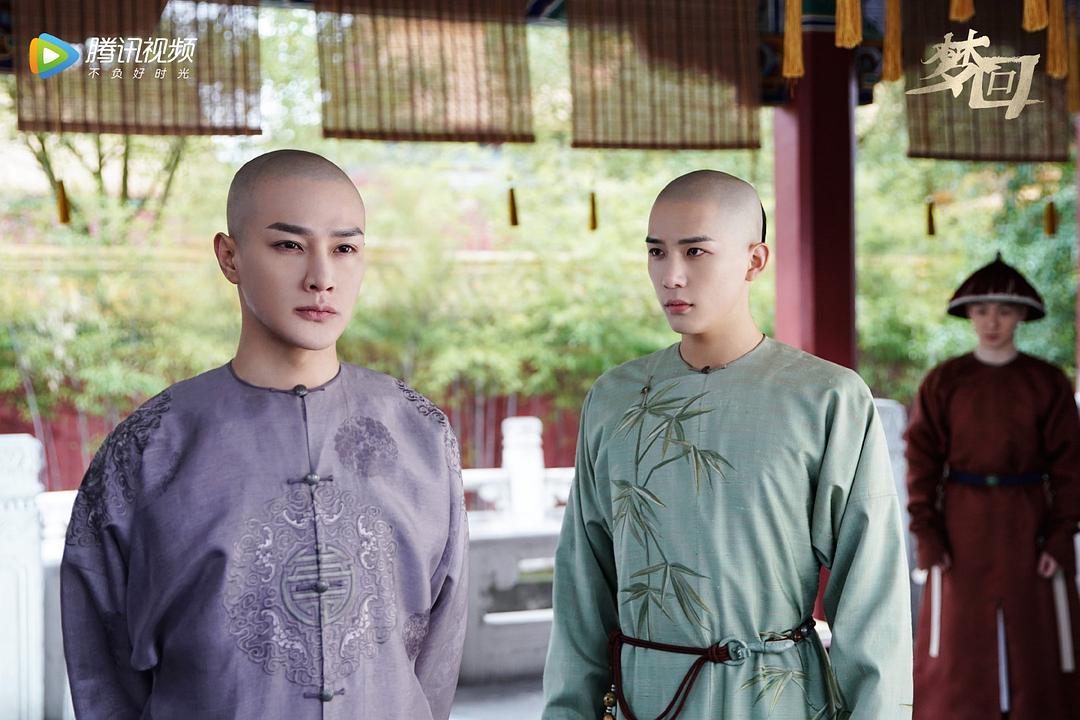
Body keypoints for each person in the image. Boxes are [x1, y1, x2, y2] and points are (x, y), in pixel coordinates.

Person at [60, 149, 469, 719]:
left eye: (344, 249)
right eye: (289, 245)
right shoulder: (148, 448)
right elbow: (101, 669)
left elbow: (438, 656)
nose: (321, 278)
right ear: (229, 257)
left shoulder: (421, 434)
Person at [541, 170, 913, 720]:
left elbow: (871, 592)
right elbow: (582, 583)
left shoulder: (826, 397)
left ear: (754, 261)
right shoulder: (615, 399)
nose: (671, 275)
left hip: (778, 699)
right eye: (657, 252)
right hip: (647, 700)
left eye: (695, 251)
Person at [906, 253, 1080, 720]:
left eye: (1004, 311)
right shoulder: (945, 381)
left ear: (1021, 314)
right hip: (962, 522)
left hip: (1028, 520)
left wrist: (1061, 535)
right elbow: (921, 464)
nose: (992, 321)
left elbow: (1070, 467)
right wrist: (927, 533)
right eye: (982, 310)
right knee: (959, 637)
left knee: (1036, 632)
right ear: (969, 315)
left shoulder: (1046, 382)